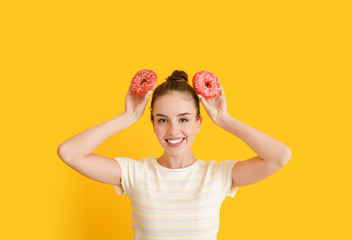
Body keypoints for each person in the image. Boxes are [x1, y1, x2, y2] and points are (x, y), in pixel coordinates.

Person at [57, 70, 292, 239]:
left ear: (198, 123)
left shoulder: (217, 175)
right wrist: (128, 116)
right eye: (162, 120)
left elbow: (279, 156)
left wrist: (223, 119)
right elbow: (69, 153)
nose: (173, 131)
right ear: (152, 124)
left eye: (184, 119)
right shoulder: (135, 173)